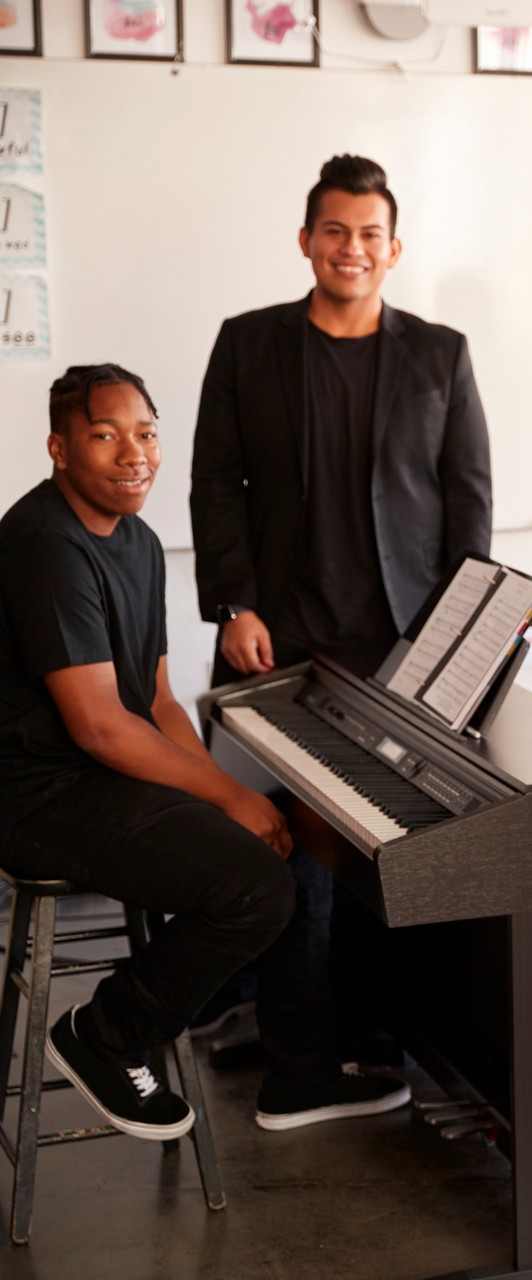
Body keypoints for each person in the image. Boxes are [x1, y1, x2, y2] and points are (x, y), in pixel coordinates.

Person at [0, 366, 407, 1139]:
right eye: (105, 435)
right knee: (255, 885)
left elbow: (153, 702)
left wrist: (227, 793)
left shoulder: (141, 541)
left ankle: (299, 1076)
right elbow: (99, 726)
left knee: (285, 839)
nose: (135, 454)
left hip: (98, 778)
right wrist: (225, 799)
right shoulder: (43, 545)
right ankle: (105, 1033)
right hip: (36, 796)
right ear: (59, 448)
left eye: (147, 433)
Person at [189, 154, 492, 1072]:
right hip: (271, 637)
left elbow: (467, 500)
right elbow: (215, 484)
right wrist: (232, 603)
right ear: (306, 240)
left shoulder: (440, 353)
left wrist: (458, 640)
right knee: (266, 835)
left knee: (385, 846)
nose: (350, 248)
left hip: (397, 645)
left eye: (368, 234)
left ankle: (376, 1029)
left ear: (393, 249)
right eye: (334, 231)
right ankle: (276, 1028)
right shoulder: (248, 343)